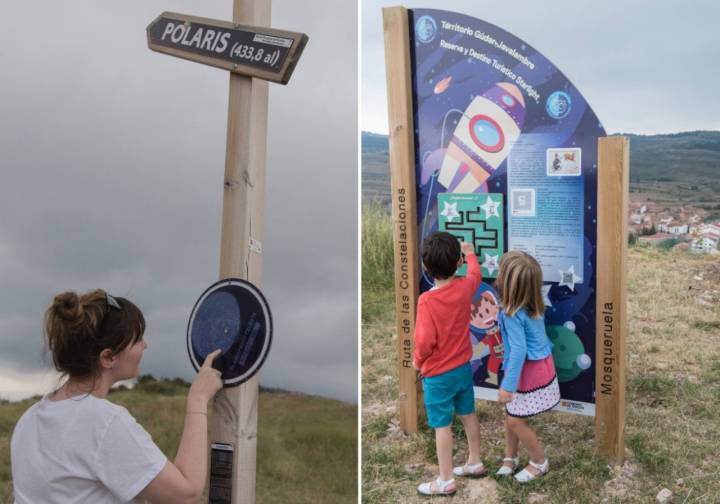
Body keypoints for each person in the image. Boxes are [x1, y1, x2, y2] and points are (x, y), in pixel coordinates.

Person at [11, 289, 224, 503]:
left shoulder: (28, 420)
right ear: (108, 357)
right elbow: (185, 493)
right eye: (138, 338)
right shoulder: (103, 423)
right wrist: (198, 398)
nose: (145, 344)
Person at [413, 232, 485, 496]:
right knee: (468, 414)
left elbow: (424, 341)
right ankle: (474, 461)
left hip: (438, 375)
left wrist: (418, 361)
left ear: (425, 267)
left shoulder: (427, 301)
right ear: (457, 264)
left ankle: (445, 479)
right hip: (463, 369)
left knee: (442, 425)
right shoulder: (466, 286)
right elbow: (475, 275)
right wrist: (470, 253)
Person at [495, 251, 560, 482]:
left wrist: (507, 386)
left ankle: (539, 461)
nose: (497, 277)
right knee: (513, 414)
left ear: (509, 284)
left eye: (501, 273)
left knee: (514, 420)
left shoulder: (512, 314)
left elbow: (520, 351)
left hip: (528, 374)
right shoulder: (533, 305)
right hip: (539, 367)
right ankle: (509, 457)